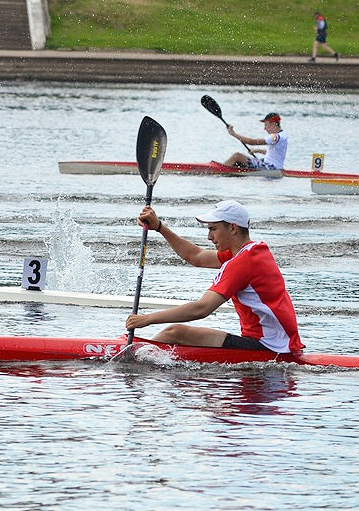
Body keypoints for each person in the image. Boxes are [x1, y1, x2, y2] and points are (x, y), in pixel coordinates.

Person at [125, 200, 303, 355]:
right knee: (176, 336)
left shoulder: (241, 263)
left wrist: (147, 319)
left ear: (232, 227)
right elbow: (196, 256)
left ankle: (133, 356)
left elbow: (201, 309)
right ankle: (142, 353)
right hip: (279, 343)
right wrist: (159, 227)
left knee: (175, 333)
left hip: (269, 347)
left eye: (213, 229)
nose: (209, 237)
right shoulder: (254, 251)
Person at [222, 112, 287, 171]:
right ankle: (229, 171)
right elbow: (274, 154)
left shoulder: (275, 137)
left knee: (237, 156)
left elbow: (252, 142)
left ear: (273, 124)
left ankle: (219, 170)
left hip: (270, 167)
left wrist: (233, 134)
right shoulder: (283, 135)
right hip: (274, 166)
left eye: (266, 125)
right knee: (238, 164)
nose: (264, 128)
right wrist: (257, 150)